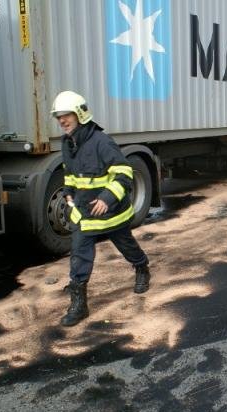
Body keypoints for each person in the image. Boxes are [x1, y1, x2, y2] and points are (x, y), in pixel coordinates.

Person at [51, 90, 150, 327]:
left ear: (80, 114)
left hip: (110, 214)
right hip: (84, 215)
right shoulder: (68, 143)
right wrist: (67, 192)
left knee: (127, 246)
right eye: (58, 117)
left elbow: (124, 173)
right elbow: (71, 175)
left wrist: (107, 198)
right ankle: (79, 304)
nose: (62, 120)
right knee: (79, 256)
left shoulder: (101, 142)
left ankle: (142, 268)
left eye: (67, 115)